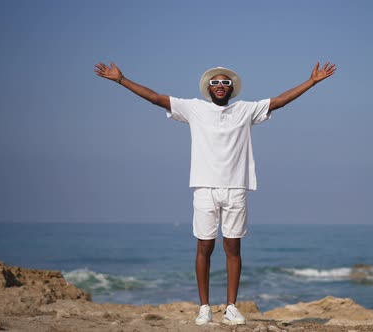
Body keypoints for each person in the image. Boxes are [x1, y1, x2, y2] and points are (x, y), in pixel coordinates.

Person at [94, 61, 336, 325]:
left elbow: (279, 101)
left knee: (233, 247)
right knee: (204, 247)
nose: (220, 86)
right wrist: (121, 80)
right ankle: (205, 307)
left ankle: (231, 307)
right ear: (208, 88)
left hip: (236, 188)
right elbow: (155, 98)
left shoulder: (245, 110)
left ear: (232, 88)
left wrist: (311, 82)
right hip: (204, 187)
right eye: (215, 82)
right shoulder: (194, 108)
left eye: (225, 82)